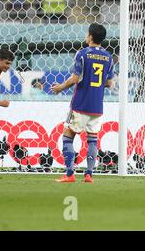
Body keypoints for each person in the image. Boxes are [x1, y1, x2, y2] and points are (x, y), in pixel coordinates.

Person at [51, 23, 114, 183]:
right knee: (92, 139)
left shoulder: (82, 54)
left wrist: (60, 87)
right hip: (97, 106)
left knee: (68, 136)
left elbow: (74, 78)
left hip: (80, 104)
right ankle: (89, 174)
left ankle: (70, 173)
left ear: (90, 36)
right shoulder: (109, 57)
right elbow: (109, 83)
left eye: (87, 34)